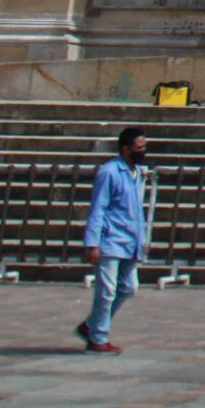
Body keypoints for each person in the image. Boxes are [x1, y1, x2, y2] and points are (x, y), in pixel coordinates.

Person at [76, 126, 147, 354]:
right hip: (110, 239)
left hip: (130, 239)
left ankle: (92, 324)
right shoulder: (109, 172)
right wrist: (92, 243)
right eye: (138, 147)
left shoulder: (136, 173)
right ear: (126, 149)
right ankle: (98, 338)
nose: (142, 151)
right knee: (106, 290)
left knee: (128, 288)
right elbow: (98, 208)